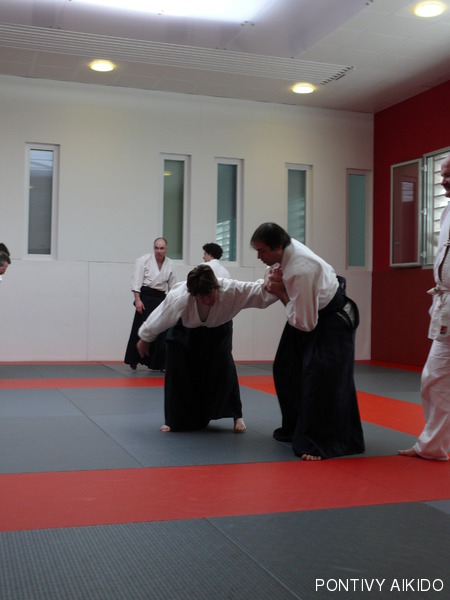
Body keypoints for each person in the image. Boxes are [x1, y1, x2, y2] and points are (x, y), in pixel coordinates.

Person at [251, 222, 365, 461]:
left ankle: (318, 441)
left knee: (320, 378)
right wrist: (272, 281)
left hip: (332, 321)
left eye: (262, 251)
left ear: (278, 246)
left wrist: (280, 291)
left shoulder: (300, 269)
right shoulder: (284, 252)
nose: (259, 256)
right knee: (285, 368)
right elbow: (273, 275)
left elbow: (305, 323)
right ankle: (295, 427)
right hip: (311, 313)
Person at [136, 265, 277, 433]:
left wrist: (274, 282)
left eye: (210, 295)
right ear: (194, 295)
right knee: (177, 368)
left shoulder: (231, 290)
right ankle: (174, 420)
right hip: (186, 331)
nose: (207, 301)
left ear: (216, 287)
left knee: (224, 368)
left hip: (218, 331)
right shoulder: (180, 296)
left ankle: (236, 415)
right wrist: (145, 336)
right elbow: (161, 315)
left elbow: (258, 292)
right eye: (201, 298)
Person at [399, 155, 450, 461]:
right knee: (434, 377)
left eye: (449, 176)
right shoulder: (447, 211)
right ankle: (432, 446)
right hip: (446, 304)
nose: (444, 181)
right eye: (442, 175)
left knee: (437, 375)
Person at [124, 237, 177, 371]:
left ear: (166, 249)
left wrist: (172, 303)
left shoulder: (170, 263)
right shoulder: (144, 260)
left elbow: (173, 286)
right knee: (140, 328)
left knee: (161, 330)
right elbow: (136, 282)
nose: (159, 251)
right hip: (145, 297)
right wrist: (138, 300)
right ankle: (134, 359)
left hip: (161, 298)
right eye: (156, 248)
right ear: (153, 248)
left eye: (161, 248)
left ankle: (159, 363)